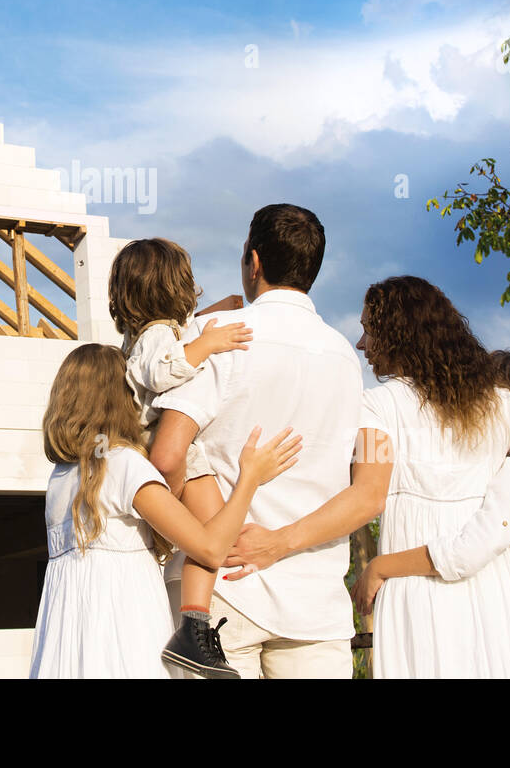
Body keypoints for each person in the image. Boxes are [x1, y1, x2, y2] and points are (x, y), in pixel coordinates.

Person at [150, 203, 366, 679]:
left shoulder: (219, 337)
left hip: (220, 595)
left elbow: (167, 458)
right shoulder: (345, 359)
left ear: (254, 263)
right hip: (314, 601)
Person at [347, 276, 510, 678]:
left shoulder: (375, 409)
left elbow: (366, 494)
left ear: (396, 335)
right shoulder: (500, 405)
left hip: (412, 588)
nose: (362, 344)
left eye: (368, 331)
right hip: (494, 591)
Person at [28, 343, 301, 679]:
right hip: (124, 635)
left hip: (68, 644)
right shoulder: (122, 465)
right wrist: (250, 478)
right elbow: (211, 549)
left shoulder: (61, 479)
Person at [108, 238, 254, 678]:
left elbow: (161, 351)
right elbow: (163, 368)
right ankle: (193, 628)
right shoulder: (158, 338)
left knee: (209, 536)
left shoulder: (143, 336)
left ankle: (193, 625)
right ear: (175, 287)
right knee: (214, 536)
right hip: (179, 453)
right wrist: (207, 346)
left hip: (158, 449)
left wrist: (210, 321)